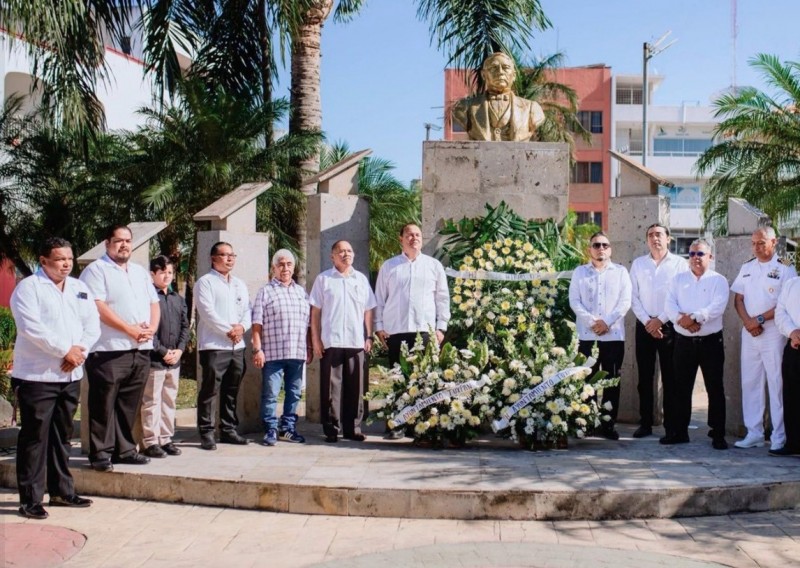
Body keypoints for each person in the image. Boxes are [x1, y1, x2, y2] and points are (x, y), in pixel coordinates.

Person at [10, 238, 100, 519]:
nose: (66, 264)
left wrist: (80, 351)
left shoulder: (79, 288)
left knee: (62, 435)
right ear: (43, 261)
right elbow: (31, 328)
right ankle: (30, 499)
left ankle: (62, 491)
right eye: (60, 259)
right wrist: (64, 351)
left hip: (70, 374)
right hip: (37, 376)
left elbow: (92, 324)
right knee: (35, 437)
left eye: (69, 259)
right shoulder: (29, 288)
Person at [80, 225, 160, 471]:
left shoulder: (139, 272)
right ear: (107, 243)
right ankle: (100, 454)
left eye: (128, 241)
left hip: (140, 348)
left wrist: (151, 329)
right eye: (118, 241)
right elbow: (97, 306)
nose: (124, 245)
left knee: (129, 404)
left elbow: (154, 303)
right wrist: (129, 329)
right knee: (103, 404)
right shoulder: (96, 270)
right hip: (108, 350)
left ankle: (124, 450)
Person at [374, 223, 450, 439]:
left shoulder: (433, 266)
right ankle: (397, 425)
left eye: (417, 235)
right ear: (401, 239)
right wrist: (379, 327)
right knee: (398, 380)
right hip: (396, 332)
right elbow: (379, 298)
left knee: (424, 381)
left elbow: (442, 298)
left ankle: (421, 427)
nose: (414, 238)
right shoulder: (389, 266)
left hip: (424, 332)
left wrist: (441, 327)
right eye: (409, 235)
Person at [731, 227, 797, 451]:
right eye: (753, 243)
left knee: (776, 383)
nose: (757, 247)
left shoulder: (785, 266)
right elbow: (738, 299)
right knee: (750, 382)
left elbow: (786, 303)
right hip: (750, 332)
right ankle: (754, 432)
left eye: (761, 243)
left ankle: (779, 436)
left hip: (773, 332)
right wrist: (748, 322)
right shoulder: (747, 266)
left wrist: (758, 319)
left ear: (774, 242)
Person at [664, 239, 730, 450]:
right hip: (683, 342)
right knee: (681, 388)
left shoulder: (718, 280)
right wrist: (680, 319)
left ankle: (718, 434)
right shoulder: (678, 280)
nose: (695, 258)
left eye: (700, 254)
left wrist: (693, 317)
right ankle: (679, 432)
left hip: (710, 342)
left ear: (710, 256)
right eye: (692, 254)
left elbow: (717, 307)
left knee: (715, 388)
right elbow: (669, 305)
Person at [310, 241, 376, 443]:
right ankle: (331, 428)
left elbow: (368, 310)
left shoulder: (361, 279)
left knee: (355, 388)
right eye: (341, 251)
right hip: (331, 341)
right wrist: (315, 340)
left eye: (349, 251)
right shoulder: (323, 279)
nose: (346, 254)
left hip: (356, 341)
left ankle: (353, 428)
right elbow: (315, 312)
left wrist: (369, 336)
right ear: (332, 256)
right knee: (331, 388)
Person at [568, 231, 632, 440]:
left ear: (610, 249)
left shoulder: (621, 272)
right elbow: (574, 301)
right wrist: (592, 322)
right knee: (588, 380)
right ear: (590, 250)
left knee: (612, 380)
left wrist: (607, 322)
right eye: (596, 245)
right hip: (587, 336)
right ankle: (588, 422)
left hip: (613, 337)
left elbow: (625, 301)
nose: (601, 249)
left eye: (605, 245)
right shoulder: (579, 272)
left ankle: (608, 423)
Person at [629, 223, 689, 439]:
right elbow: (633, 296)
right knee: (644, 377)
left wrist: (660, 320)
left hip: (669, 325)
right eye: (651, 235)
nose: (655, 238)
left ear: (668, 238)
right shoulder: (638, 264)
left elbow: (680, 296)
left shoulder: (680, 264)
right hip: (644, 325)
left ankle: (671, 426)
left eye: (659, 235)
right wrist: (648, 322)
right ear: (647, 240)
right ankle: (645, 423)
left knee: (671, 377)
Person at [195, 242, 252, 450]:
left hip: (236, 347)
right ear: (213, 258)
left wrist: (241, 328)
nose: (229, 259)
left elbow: (247, 310)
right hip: (214, 345)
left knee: (231, 390)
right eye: (224, 255)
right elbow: (207, 313)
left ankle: (228, 430)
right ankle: (206, 432)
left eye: (232, 255)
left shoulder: (239, 284)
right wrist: (229, 330)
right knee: (210, 391)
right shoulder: (205, 282)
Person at [252, 249, 311, 446]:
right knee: (271, 394)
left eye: (289, 264)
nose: (285, 268)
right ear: (274, 268)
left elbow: (308, 325)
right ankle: (271, 429)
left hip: (297, 353)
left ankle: (288, 428)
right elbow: (257, 324)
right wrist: (257, 349)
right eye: (281, 264)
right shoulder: (265, 292)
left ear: (294, 267)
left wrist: (309, 348)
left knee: (294, 394)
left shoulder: (301, 292)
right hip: (273, 354)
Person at [140, 255, 189, 459]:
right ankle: (150, 441)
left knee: (169, 400)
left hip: (174, 360)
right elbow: (147, 329)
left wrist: (179, 350)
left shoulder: (178, 299)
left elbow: (185, 327)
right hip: (155, 360)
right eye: (162, 272)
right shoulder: (148, 299)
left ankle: (166, 438)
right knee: (152, 401)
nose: (167, 276)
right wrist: (163, 352)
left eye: (170, 272)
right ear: (152, 274)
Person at [451, 52, 545, 142]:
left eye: (505, 68)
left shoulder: (532, 108)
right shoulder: (465, 108)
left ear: (514, 75)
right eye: (493, 68)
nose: (500, 72)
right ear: (483, 75)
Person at [773, 274, 800, 456]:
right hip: (794, 345)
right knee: (792, 396)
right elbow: (780, 312)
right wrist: (792, 332)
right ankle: (794, 444)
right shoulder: (792, 284)